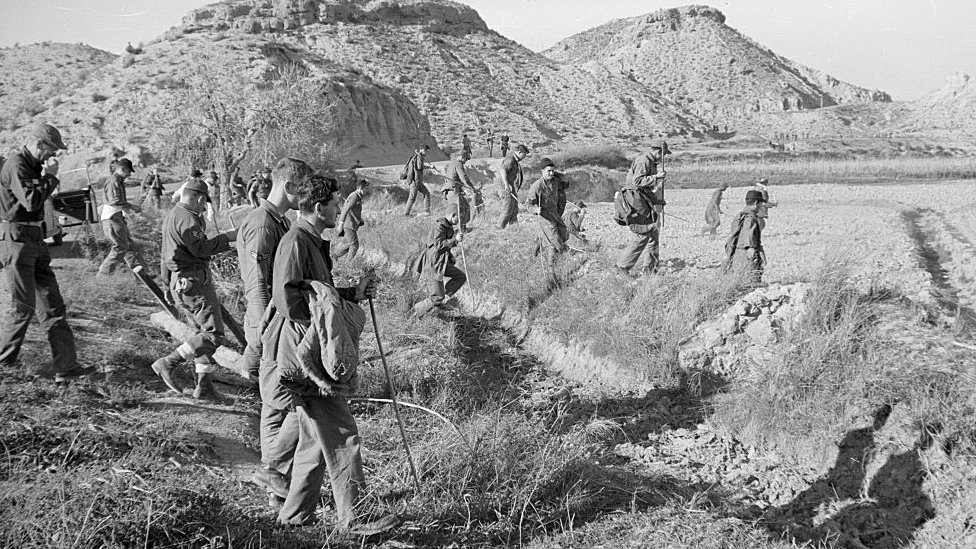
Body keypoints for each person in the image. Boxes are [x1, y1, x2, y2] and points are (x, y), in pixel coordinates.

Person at [261, 175, 400, 534]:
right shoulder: (295, 242)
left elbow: (320, 296)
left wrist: (351, 294)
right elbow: (289, 302)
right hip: (306, 357)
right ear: (319, 208)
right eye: (336, 204)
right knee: (342, 434)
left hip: (311, 351)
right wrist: (327, 325)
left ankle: (292, 517)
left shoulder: (311, 240)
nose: (340, 209)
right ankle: (355, 519)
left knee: (311, 440)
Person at [236, 158, 310, 507]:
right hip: (268, 322)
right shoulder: (265, 225)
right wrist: (266, 333)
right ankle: (274, 486)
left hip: (273, 322)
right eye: (304, 188)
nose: (307, 196)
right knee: (280, 408)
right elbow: (258, 288)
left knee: (277, 408)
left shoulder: (276, 221)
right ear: (290, 187)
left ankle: (277, 486)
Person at [0, 124, 94, 383]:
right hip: (17, 239)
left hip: (35, 238)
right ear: (39, 144)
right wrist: (51, 177)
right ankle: (3, 364)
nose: (53, 156)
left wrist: (46, 176)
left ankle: (67, 367)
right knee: (23, 306)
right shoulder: (17, 165)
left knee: (53, 305)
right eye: (51, 149)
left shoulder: (33, 167)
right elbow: (31, 201)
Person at [151, 178, 237, 399]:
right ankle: (168, 362)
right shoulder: (187, 219)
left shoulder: (172, 215)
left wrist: (166, 287)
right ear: (199, 198)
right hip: (194, 281)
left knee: (203, 333)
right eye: (203, 203)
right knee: (214, 335)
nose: (203, 207)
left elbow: (164, 255)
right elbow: (201, 248)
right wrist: (227, 238)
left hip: (180, 282)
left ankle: (204, 385)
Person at [616, 139, 670, 277]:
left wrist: (657, 199)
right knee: (642, 234)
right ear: (658, 151)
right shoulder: (643, 160)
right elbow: (637, 182)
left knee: (653, 234)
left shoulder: (651, 162)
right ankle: (622, 267)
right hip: (636, 200)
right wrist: (656, 177)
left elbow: (647, 187)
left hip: (643, 199)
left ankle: (650, 269)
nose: (662, 158)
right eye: (662, 155)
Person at [412, 211, 466, 317]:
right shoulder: (438, 226)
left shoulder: (448, 227)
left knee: (460, 277)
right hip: (433, 264)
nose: (459, 221)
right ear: (452, 215)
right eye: (458, 218)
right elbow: (438, 246)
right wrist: (455, 240)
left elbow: (444, 246)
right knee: (436, 297)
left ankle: (443, 299)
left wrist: (450, 256)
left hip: (442, 263)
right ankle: (415, 311)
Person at [97, 158, 145, 276]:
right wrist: (132, 207)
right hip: (112, 218)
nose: (129, 174)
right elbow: (115, 201)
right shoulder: (114, 181)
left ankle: (142, 275)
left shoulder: (117, 181)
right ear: (122, 169)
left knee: (131, 246)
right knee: (120, 247)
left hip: (116, 218)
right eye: (128, 171)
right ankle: (103, 276)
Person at [525, 158, 568, 267]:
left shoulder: (555, 180)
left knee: (564, 235)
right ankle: (551, 268)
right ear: (542, 171)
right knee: (555, 242)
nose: (551, 173)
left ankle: (539, 241)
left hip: (555, 214)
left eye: (553, 170)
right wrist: (535, 210)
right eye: (548, 171)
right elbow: (528, 205)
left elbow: (564, 182)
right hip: (544, 216)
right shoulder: (537, 186)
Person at [725, 189, 766, 283]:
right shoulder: (751, 218)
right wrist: (751, 248)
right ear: (756, 203)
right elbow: (748, 232)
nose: (761, 206)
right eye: (760, 204)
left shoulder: (739, 216)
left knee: (739, 282)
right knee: (751, 282)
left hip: (737, 254)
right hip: (747, 255)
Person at [440, 151, 478, 231]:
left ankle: (461, 229)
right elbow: (464, 178)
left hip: (449, 191)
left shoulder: (452, 163)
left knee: (458, 210)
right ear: (461, 157)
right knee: (459, 211)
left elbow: (453, 178)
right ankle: (459, 230)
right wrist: (473, 188)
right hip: (453, 192)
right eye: (466, 158)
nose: (466, 161)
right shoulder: (458, 164)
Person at [333, 179, 369, 260]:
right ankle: (348, 265)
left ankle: (335, 255)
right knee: (354, 245)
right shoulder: (354, 196)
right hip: (348, 224)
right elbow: (345, 210)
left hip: (351, 224)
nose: (367, 191)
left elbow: (353, 210)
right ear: (360, 188)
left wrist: (360, 220)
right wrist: (340, 224)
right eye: (366, 188)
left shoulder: (358, 196)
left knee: (350, 244)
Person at [496, 144, 528, 229]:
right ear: (519, 152)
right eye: (524, 154)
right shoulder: (510, 159)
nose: (524, 156)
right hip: (505, 188)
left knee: (514, 209)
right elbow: (503, 170)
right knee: (508, 208)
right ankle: (499, 228)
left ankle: (514, 229)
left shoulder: (515, 161)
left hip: (511, 188)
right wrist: (506, 184)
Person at [403, 145, 432, 217]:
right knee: (412, 198)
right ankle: (406, 214)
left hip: (417, 181)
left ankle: (427, 211)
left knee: (426, 193)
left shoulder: (418, 156)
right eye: (426, 151)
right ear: (422, 150)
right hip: (415, 181)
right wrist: (430, 167)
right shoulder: (419, 157)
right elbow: (419, 167)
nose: (427, 153)